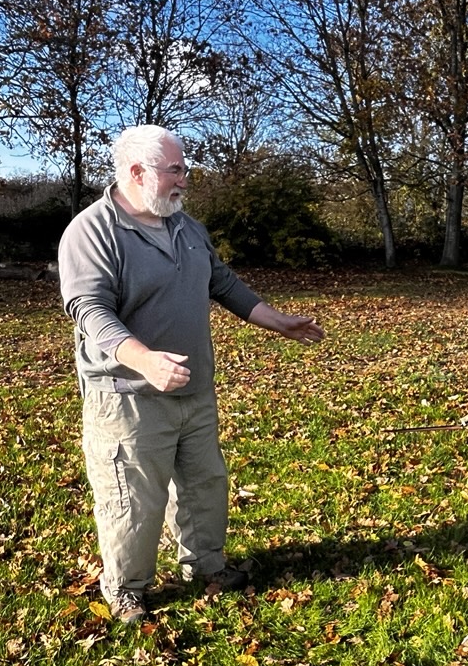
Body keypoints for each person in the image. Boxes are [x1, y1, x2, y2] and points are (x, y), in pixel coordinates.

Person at [58, 125, 325, 624]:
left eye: (184, 168)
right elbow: (89, 309)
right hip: (129, 396)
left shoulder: (186, 226)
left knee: (205, 484)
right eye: (175, 170)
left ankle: (205, 566)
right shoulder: (92, 231)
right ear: (137, 172)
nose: (184, 179)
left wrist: (277, 321)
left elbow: (222, 283)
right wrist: (145, 360)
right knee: (132, 497)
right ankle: (126, 587)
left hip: (194, 389)